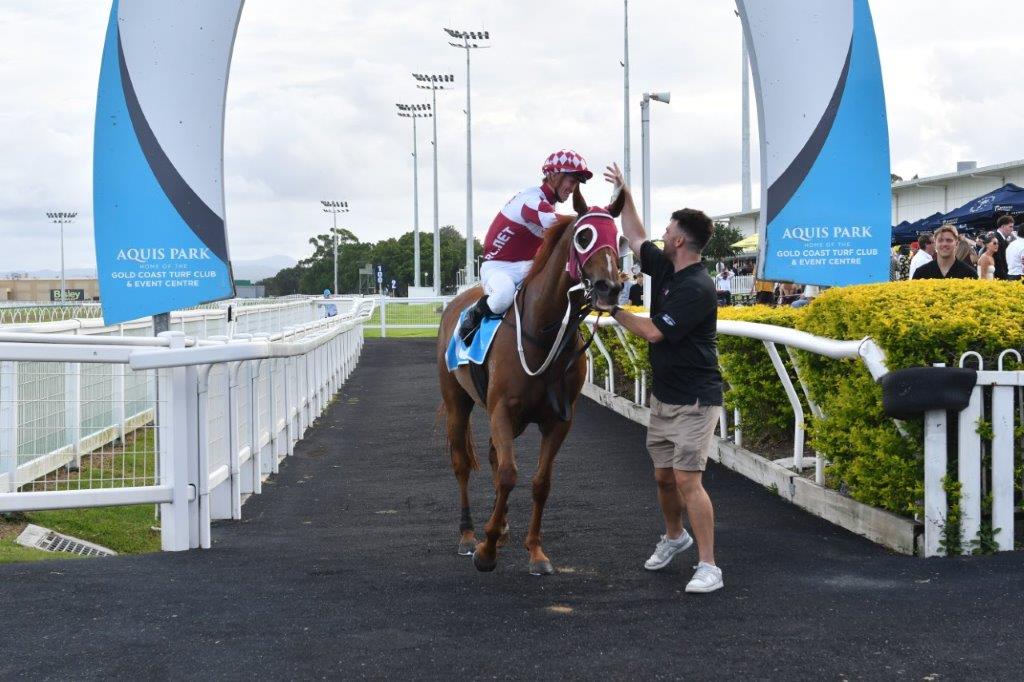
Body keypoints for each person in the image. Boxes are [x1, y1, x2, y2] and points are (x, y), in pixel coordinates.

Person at [598, 162, 724, 594]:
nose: (662, 233)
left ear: (680, 240)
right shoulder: (670, 267)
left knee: (689, 479)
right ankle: (675, 537)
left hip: (696, 400)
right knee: (663, 477)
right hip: (666, 397)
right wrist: (625, 193)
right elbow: (634, 237)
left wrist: (611, 309)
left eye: (668, 229)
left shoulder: (697, 287)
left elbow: (653, 331)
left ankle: (709, 566)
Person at [457, 150, 592, 341]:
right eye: (571, 180)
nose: (573, 188)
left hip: (526, 267)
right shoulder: (530, 200)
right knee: (503, 296)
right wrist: (592, 221)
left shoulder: (547, 203)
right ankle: (474, 315)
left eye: (577, 183)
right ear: (554, 175)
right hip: (498, 268)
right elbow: (554, 222)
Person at [912, 224, 977, 279]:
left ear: (956, 244)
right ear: (935, 244)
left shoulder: (969, 273)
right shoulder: (921, 273)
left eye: (949, 240)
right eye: (940, 240)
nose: (944, 244)